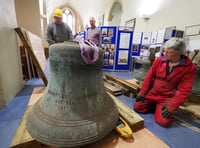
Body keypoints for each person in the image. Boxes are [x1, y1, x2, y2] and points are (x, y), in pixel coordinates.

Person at [133, 37, 196, 127]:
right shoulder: (159, 61)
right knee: (138, 107)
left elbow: (184, 90)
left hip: (167, 98)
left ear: (179, 53)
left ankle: (158, 107)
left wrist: (172, 106)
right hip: (153, 93)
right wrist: (143, 92)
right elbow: (149, 77)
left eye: (168, 52)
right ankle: (155, 106)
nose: (164, 54)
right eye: (164, 51)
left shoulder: (189, 68)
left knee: (164, 122)